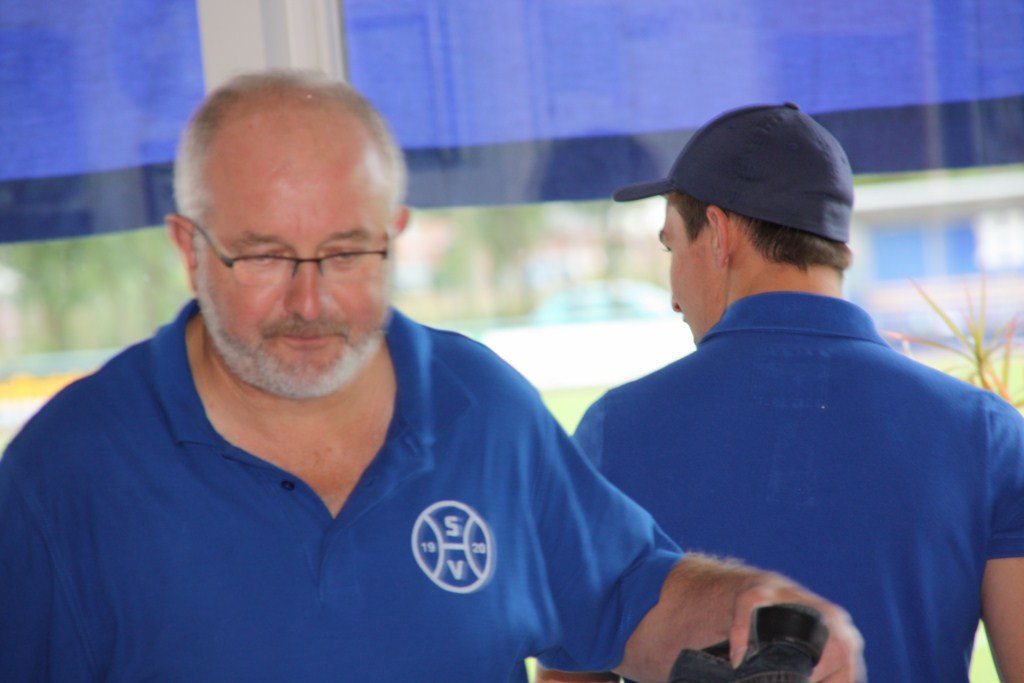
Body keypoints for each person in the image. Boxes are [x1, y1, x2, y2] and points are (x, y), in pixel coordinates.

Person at [0, 71, 863, 683]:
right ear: (189, 246)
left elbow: (626, 594)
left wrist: (753, 603)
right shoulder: (65, 473)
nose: (310, 301)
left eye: (347, 252)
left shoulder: (479, 407)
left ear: (396, 235)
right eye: (262, 255)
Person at [539, 103, 1024, 683]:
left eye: (671, 248)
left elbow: (570, 674)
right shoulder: (985, 433)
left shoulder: (614, 431)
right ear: (836, 244)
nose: (672, 297)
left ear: (719, 235)